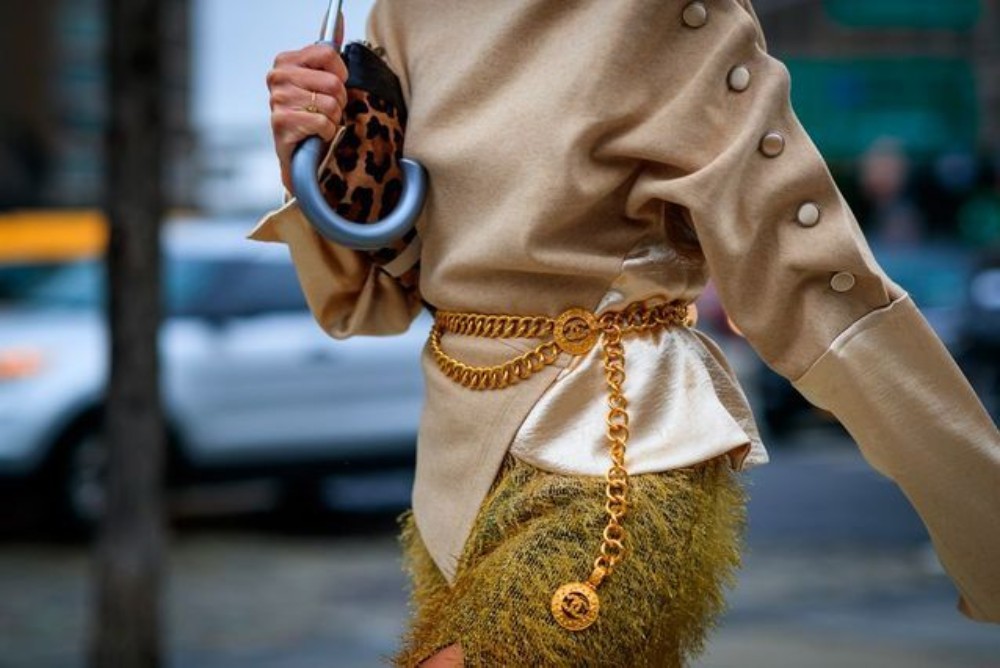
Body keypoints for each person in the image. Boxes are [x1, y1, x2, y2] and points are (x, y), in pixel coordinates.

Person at [252, 1, 1000, 665]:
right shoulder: (403, 12)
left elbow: (811, 283)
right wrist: (310, 152)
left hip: (614, 449)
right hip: (451, 477)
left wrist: (981, 515)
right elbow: (379, 293)